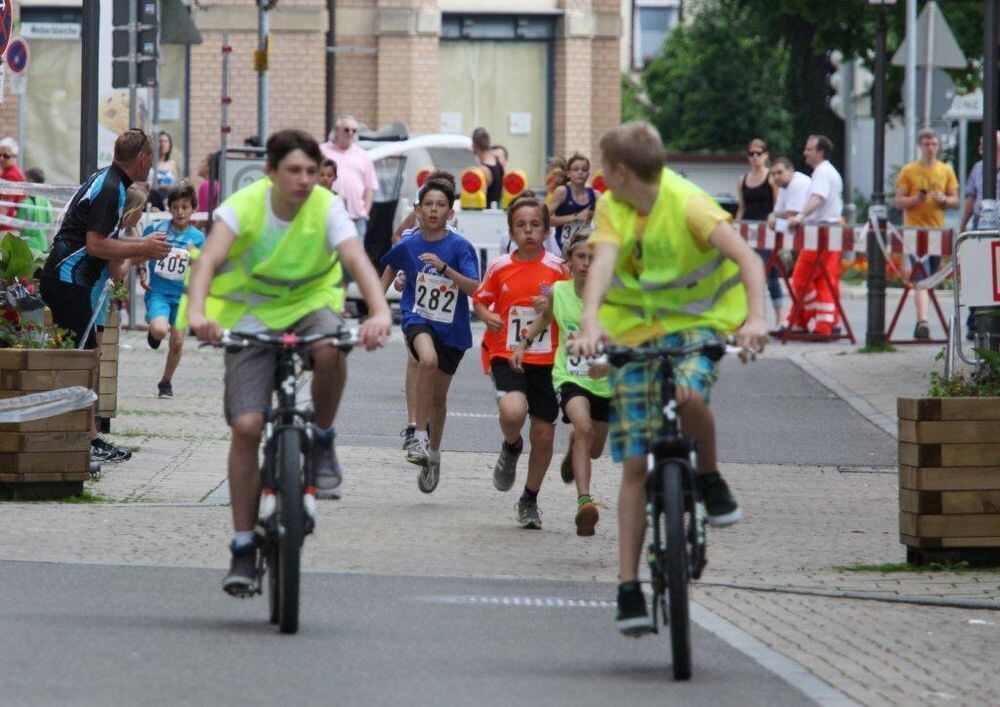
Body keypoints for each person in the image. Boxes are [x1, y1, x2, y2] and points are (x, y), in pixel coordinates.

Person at [572, 121, 767, 634]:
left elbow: (747, 258)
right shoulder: (613, 208)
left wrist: (756, 320)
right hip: (634, 336)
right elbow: (603, 266)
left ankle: (709, 474)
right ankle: (628, 586)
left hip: (696, 328)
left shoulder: (689, 204)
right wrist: (590, 323)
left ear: (619, 171)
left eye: (603, 172)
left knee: (687, 394)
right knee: (635, 463)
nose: (601, 182)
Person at [184, 129, 392, 596]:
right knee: (247, 426)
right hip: (251, 314)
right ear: (271, 172)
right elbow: (209, 261)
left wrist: (378, 312)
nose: (304, 180)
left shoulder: (326, 206)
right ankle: (242, 546)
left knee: (332, 347)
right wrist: (198, 314)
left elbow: (356, 259)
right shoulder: (245, 206)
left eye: (311, 171)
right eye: (294, 171)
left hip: (309, 304)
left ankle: (320, 438)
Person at [41, 129, 169, 463]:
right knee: (82, 360)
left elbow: (106, 251)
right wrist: (143, 246)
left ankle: (85, 435)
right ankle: (82, 439)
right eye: (151, 159)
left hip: (72, 279)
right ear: (141, 159)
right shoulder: (112, 188)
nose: (151, 166)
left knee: (86, 358)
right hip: (68, 278)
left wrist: (140, 247)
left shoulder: (110, 180)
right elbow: (96, 244)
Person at [472, 194, 570, 530]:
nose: (528, 231)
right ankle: (512, 445)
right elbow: (480, 300)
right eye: (521, 225)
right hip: (505, 353)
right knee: (512, 413)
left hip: (548, 360)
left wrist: (554, 308)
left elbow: (573, 305)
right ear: (511, 231)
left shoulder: (559, 270)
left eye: (535, 225)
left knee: (544, 436)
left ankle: (529, 498)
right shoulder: (499, 267)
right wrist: (487, 317)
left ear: (545, 231)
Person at [379, 178, 480, 490]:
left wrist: (444, 269)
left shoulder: (461, 246)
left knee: (439, 399)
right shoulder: (408, 245)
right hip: (418, 318)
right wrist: (378, 306)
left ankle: (433, 453)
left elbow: (475, 287)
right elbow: (389, 269)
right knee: (427, 360)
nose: (434, 210)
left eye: (441, 205)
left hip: (453, 328)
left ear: (450, 213)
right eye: (429, 204)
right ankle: (419, 437)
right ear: (418, 210)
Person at [511, 229, 608, 537]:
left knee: (593, 448)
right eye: (581, 257)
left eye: (593, 258)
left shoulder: (614, 296)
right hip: (570, 376)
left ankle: (576, 447)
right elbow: (543, 318)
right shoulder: (559, 291)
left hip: (605, 381)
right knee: (584, 427)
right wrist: (523, 343)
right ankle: (584, 504)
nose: (586, 263)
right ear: (569, 261)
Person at [134, 183, 206, 398]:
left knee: (177, 342)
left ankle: (166, 381)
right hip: (159, 292)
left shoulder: (199, 238)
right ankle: (154, 332)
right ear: (169, 208)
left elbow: (202, 268)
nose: (180, 212)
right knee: (159, 330)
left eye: (185, 207)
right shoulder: (158, 232)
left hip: (183, 296)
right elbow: (138, 252)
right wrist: (141, 270)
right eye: (175, 207)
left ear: (193, 209)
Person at [893, 128, 959, 340]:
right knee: (921, 277)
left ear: (938, 146)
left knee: (931, 277)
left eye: (934, 144)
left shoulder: (945, 170)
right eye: (926, 144)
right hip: (915, 232)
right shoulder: (909, 170)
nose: (930, 148)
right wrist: (916, 200)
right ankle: (923, 321)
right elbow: (899, 201)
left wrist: (944, 201)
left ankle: (924, 319)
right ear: (920, 146)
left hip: (936, 232)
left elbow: (955, 199)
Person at [786, 135, 844, 336]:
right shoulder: (829, 171)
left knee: (801, 277)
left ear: (819, 152)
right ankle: (825, 323)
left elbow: (818, 197)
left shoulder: (821, 172)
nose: (805, 153)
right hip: (830, 230)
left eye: (809, 149)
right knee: (824, 279)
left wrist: (801, 215)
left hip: (819, 232)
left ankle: (804, 315)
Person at [736, 139, 784, 329]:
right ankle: (746, 316)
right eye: (751, 153)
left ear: (766, 156)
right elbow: (742, 207)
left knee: (769, 273)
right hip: (747, 232)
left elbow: (777, 205)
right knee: (745, 272)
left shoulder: (770, 179)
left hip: (767, 231)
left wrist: (778, 230)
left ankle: (780, 318)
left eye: (758, 153)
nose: (755, 157)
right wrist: (736, 229)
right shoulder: (743, 180)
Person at [320, 115, 378, 238]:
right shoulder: (322, 152)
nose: (350, 133)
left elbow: (370, 187)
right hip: (327, 215)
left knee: (355, 254)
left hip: (356, 219)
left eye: (354, 130)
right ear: (336, 131)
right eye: (346, 129)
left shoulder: (363, 155)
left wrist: (365, 212)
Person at [549, 153, 597, 251]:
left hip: (583, 249)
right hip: (560, 247)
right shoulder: (562, 192)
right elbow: (545, 220)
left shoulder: (595, 195)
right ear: (568, 173)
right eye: (576, 169)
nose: (580, 172)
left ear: (588, 174)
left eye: (584, 170)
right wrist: (575, 217)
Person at [16, 167, 54, 254]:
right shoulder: (46, 202)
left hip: (27, 246)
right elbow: (49, 221)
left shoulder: (25, 203)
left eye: (25, 180)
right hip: (42, 245)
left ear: (31, 181)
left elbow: (19, 226)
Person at [472, 127, 504, 208]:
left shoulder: (482, 170)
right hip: (498, 208)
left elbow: (479, 196)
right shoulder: (498, 162)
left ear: (475, 146)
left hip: (487, 212)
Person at [0, 137, 25, 232]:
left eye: (6, 156)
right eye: (0, 155)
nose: (1, 158)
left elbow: (5, 205)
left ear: (15, 157)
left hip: (6, 228)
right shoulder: (7, 173)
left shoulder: (11, 175)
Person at [154, 131, 179, 197]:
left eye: (165, 141)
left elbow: (176, 184)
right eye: (160, 141)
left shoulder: (173, 164)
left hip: (169, 199)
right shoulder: (151, 163)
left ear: (169, 145)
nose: (162, 144)